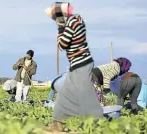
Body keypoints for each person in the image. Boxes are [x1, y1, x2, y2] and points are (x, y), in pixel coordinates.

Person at [44, 2, 103, 132]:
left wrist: (59, 28)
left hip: (82, 64)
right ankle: (58, 123)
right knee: (64, 94)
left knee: (86, 95)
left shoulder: (72, 23)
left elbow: (62, 44)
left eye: (56, 18)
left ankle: (100, 124)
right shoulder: (75, 20)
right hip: (76, 65)